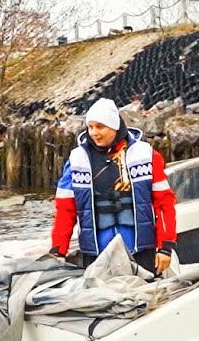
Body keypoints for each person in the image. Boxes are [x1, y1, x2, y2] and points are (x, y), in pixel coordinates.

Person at [51, 98, 177, 274]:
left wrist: (165, 247)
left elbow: (164, 204)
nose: (94, 133)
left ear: (115, 126)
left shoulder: (146, 155)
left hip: (140, 251)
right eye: (91, 127)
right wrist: (58, 250)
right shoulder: (76, 160)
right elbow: (65, 211)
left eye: (100, 127)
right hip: (95, 254)